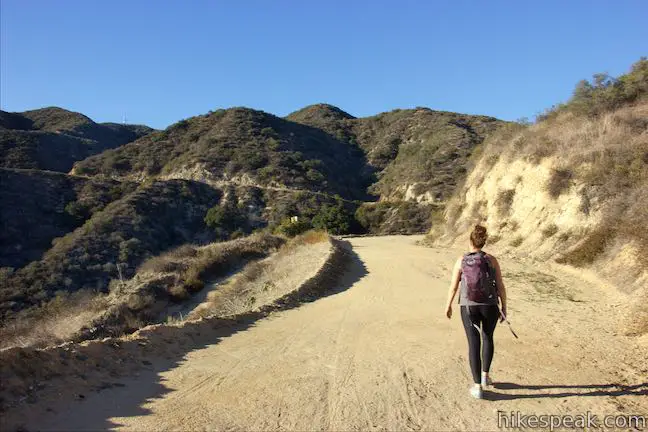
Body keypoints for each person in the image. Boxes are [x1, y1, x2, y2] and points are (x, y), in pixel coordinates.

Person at [444, 224, 507, 399]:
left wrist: (448, 305)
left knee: (474, 343)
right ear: (483, 241)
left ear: (470, 241)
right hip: (490, 305)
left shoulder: (461, 260)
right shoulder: (491, 260)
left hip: (468, 306)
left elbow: (453, 285)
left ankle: (478, 386)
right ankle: (485, 377)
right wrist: (504, 307)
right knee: (488, 337)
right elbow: (500, 285)